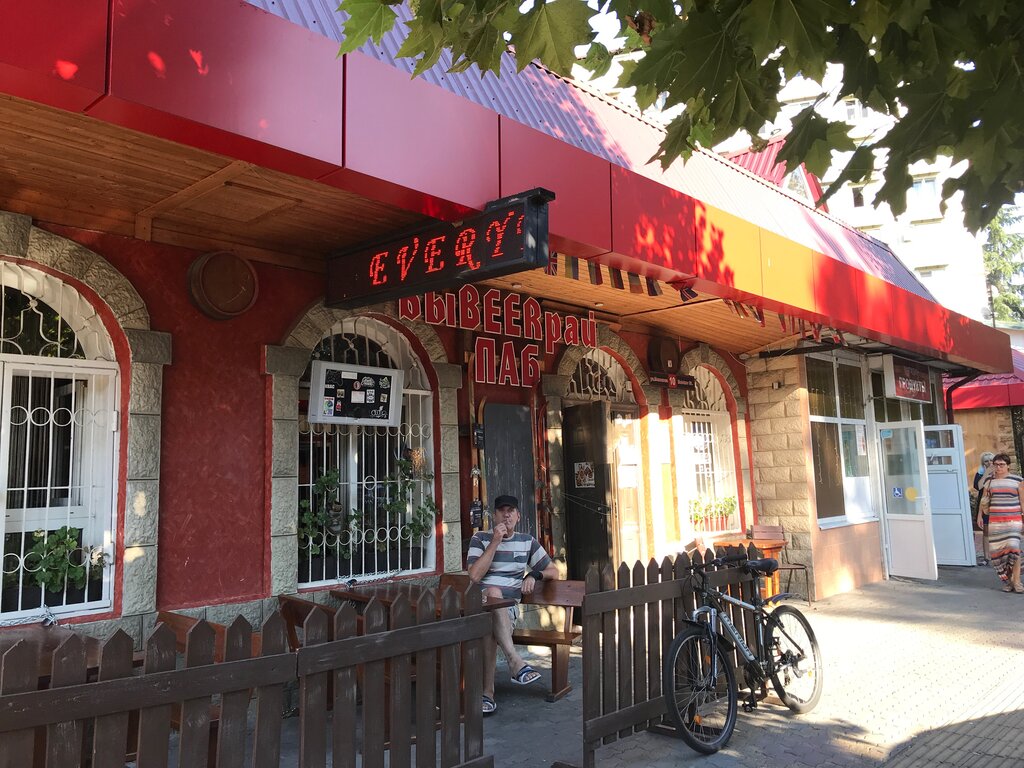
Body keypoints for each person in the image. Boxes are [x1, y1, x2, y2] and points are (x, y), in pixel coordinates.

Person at [467, 494, 559, 715]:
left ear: (518, 516)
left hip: (506, 612)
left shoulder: (527, 541)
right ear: (494, 516)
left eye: (511, 511)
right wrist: (495, 542)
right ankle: (515, 661)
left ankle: (487, 694)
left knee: (491, 620)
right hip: (478, 609)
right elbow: (474, 576)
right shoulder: (480, 539)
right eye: (502, 511)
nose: (506, 515)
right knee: (492, 593)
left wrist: (534, 575)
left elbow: (554, 571)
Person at [978, 453, 1024, 592]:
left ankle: (1017, 582)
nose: (998, 467)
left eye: (1002, 464)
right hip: (996, 522)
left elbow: (1022, 501)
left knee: (1014, 549)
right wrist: (980, 516)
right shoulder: (989, 481)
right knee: (1001, 553)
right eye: (996, 464)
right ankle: (1008, 582)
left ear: (1008, 466)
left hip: (1014, 521)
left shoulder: (1018, 480)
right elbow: (984, 500)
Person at [974, 452, 995, 564]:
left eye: (991, 460)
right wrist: (986, 473)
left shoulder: (999, 472)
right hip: (984, 504)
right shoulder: (980, 473)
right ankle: (987, 557)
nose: (989, 463)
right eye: (986, 461)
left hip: (997, 504)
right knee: (986, 530)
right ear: (983, 463)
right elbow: (978, 486)